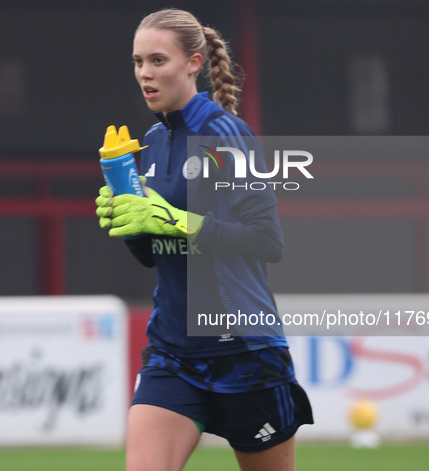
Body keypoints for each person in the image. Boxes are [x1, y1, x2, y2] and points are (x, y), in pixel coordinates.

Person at [95, 8, 313, 471]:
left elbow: (267, 241)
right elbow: (153, 256)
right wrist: (131, 219)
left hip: (246, 352)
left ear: (194, 62)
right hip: (173, 351)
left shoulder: (226, 134)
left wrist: (176, 219)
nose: (144, 74)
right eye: (137, 62)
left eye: (157, 60)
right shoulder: (150, 142)